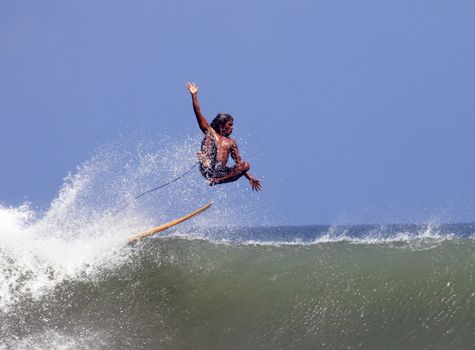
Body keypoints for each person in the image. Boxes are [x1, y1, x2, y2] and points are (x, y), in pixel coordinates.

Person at [186, 82, 262, 191]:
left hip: (220, 172)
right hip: (207, 166)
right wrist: (194, 95)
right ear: (222, 124)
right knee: (209, 136)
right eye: (230, 125)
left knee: (245, 165)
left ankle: (216, 181)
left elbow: (238, 163)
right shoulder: (211, 131)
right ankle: (205, 159)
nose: (232, 128)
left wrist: (250, 178)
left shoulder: (231, 142)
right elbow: (198, 113)